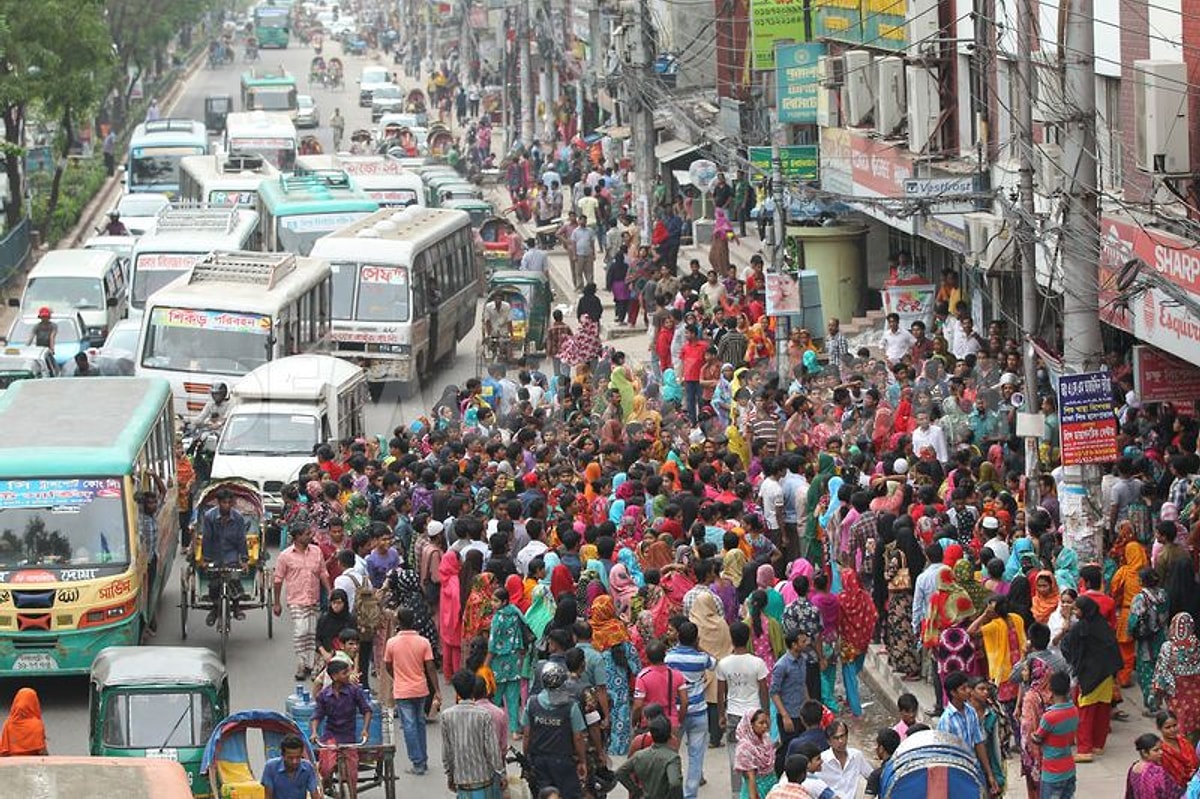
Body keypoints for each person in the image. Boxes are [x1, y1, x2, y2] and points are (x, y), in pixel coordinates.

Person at [1062, 594, 1122, 761]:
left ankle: (1084, 749)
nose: (1075, 611)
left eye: (1076, 609)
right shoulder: (1103, 625)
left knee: (1085, 712)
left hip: (1089, 676)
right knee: (1103, 710)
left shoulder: (1080, 628)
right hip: (1106, 674)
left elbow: (1067, 647)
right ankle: (1098, 745)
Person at [383, 607, 441, 774]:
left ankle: (417, 762)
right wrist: (436, 689)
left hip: (402, 690)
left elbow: (388, 665)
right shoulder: (423, 642)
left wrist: (397, 677)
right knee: (420, 723)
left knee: (409, 725)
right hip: (421, 688)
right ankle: (423, 758)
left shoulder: (392, 643)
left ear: (399, 622)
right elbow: (430, 668)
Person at [522, 661, 589, 799]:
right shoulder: (571, 706)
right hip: (563, 762)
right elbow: (578, 737)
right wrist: (582, 760)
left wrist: (527, 758)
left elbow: (527, 735)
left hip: (539, 761)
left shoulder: (531, 703)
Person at [274, 524, 332, 681]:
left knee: (311, 632)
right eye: (307, 534)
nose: (310, 537)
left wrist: (330, 591)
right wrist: (276, 602)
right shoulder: (285, 556)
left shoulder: (316, 552)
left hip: (313, 598)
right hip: (296, 599)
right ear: (297, 537)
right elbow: (278, 580)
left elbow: (322, 573)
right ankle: (301, 662)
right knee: (301, 630)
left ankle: (309, 664)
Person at [310, 658, 371, 795]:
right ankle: (326, 787)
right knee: (325, 768)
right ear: (335, 676)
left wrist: (365, 729)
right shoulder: (324, 696)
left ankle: (353, 795)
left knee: (352, 772)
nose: (348, 676)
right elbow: (316, 716)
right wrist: (314, 732)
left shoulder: (354, 691)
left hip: (348, 737)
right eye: (345, 673)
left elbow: (366, 711)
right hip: (330, 736)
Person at [442, 669, 505, 799]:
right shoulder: (483, 715)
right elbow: (492, 750)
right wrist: (501, 774)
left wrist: (450, 775)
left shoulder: (447, 716)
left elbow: (447, 751)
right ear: (473, 690)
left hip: (462, 780)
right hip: (483, 779)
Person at [937, 670, 1001, 796]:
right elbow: (946, 755)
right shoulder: (946, 721)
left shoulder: (971, 712)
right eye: (963, 688)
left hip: (974, 768)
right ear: (953, 693)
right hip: (957, 774)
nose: (968, 691)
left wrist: (989, 774)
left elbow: (979, 743)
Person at [200, 487, 248, 627]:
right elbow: (207, 539)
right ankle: (214, 608)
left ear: (232, 503)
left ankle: (236, 607)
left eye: (228, 502)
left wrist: (244, 560)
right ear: (218, 502)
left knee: (234, 578)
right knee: (214, 584)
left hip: (231, 553)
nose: (226, 505)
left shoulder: (238, 518)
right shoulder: (209, 517)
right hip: (215, 553)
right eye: (223, 502)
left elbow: (241, 539)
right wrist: (206, 559)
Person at [1153, 612, 1200, 741]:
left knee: (1177, 726)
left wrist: (1157, 696)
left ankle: (1181, 755)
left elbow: (1161, 673)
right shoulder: (1197, 646)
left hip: (1177, 698)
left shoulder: (1168, 647)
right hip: (1196, 699)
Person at [617, 715, 684, 799]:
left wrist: (635, 790)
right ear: (669, 734)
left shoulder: (639, 755)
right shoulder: (672, 758)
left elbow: (620, 773)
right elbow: (675, 783)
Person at [816, 720, 873, 799]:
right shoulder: (822, 761)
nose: (841, 741)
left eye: (843, 736)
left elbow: (871, 776)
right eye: (836, 738)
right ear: (829, 742)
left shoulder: (856, 756)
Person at [733, 709, 777, 799]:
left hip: (771, 786)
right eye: (761, 723)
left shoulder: (766, 739)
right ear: (751, 725)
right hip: (756, 790)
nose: (765, 726)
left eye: (766, 722)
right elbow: (751, 778)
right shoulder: (745, 748)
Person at [261, 733, 320, 799]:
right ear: (282, 755)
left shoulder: (308, 767)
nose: (294, 761)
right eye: (290, 758)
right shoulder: (271, 767)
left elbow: (315, 794)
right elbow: (268, 796)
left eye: (298, 757)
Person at [1126, 733, 1183, 799]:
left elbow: (1130, 794)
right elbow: (1173, 793)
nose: (1161, 752)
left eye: (1161, 749)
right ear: (1144, 752)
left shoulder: (1133, 768)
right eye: (1156, 750)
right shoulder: (1156, 771)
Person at [1156, 710, 1198, 789]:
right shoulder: (1160, 750)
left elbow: (1195, 762)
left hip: (1193, 786)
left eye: (1174, 725)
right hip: (1173, 790)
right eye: (1167, 727)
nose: (1172, 730)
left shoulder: (1184, 742)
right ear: (1159, 728)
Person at [0, 687, 47, 756]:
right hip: (33, 764)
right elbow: (42, 751)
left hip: (12, 763)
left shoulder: (9, 724)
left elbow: (3, 752)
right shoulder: (36, 725)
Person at [864, 728, 901, 797]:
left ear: (881, 748)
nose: (875, 748)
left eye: (876, 745)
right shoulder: (905, 765)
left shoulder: (877, 775)